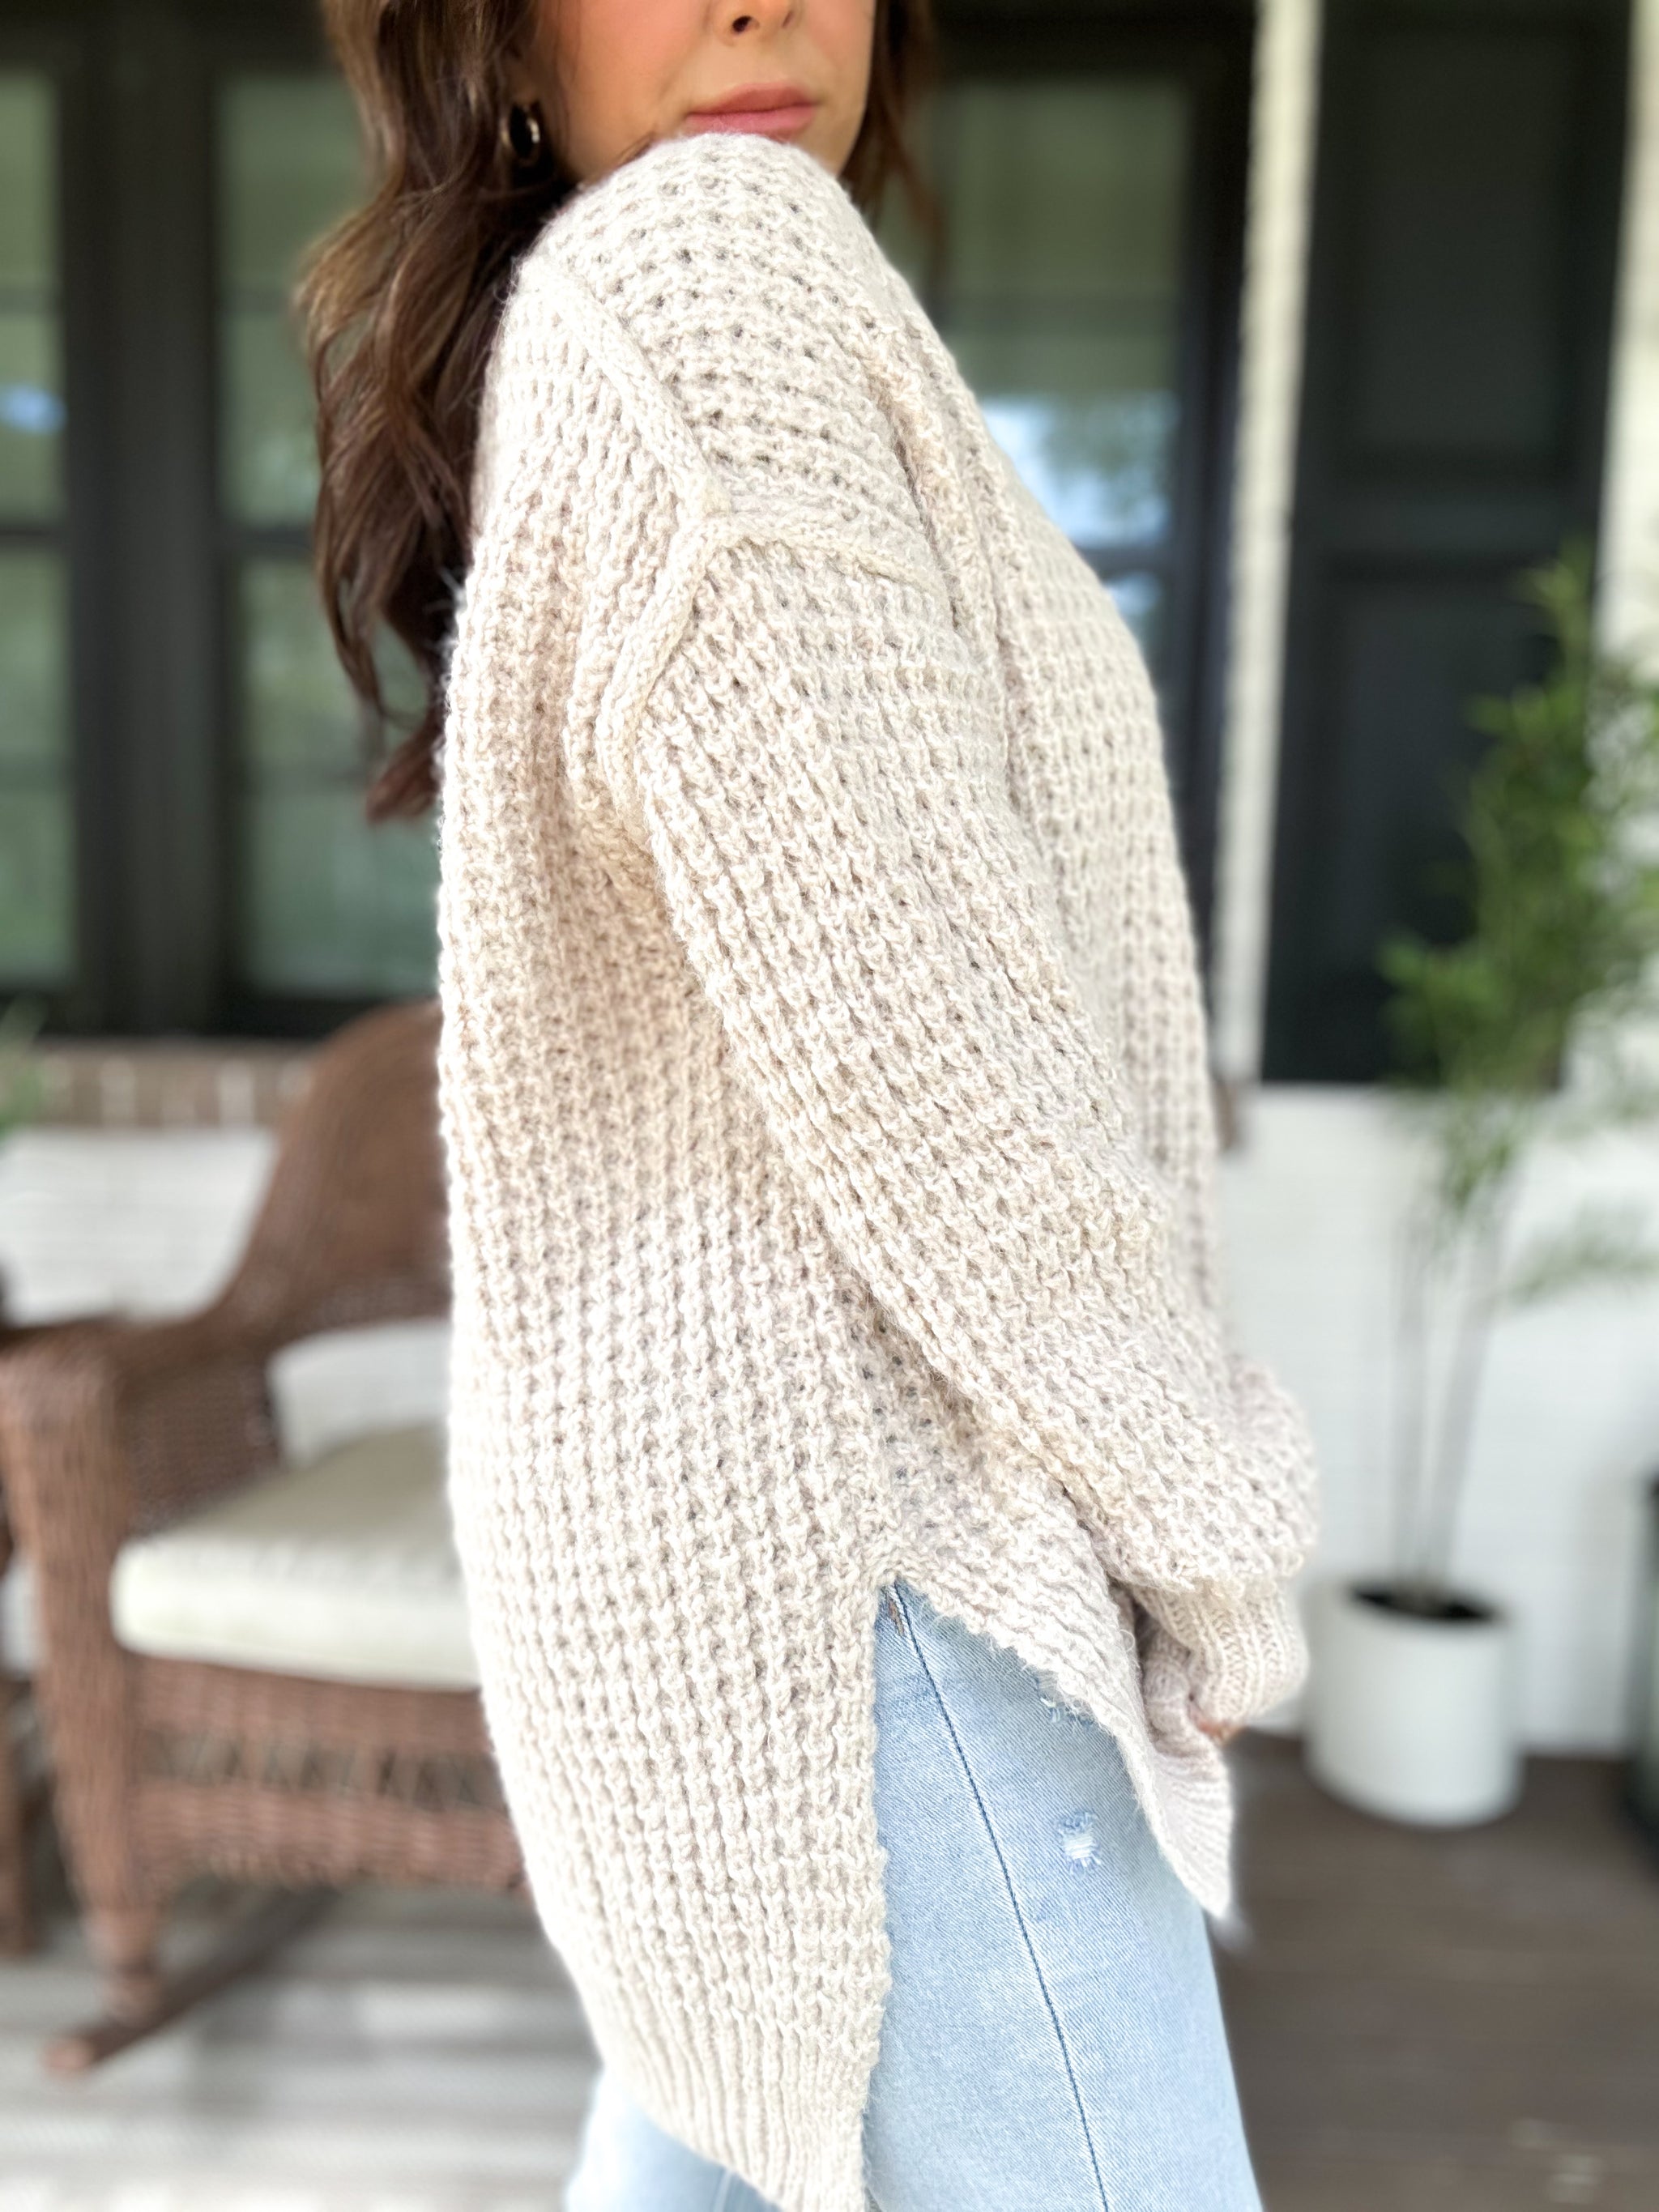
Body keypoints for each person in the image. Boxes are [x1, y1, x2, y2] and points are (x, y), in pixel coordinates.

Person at [303, 4, 1319, 2207]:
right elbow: (933, 1051)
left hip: (719, 1608)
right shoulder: (707, 278)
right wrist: (1209, 1523)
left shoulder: (630, 315)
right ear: (503, 41)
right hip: (896, 1589)